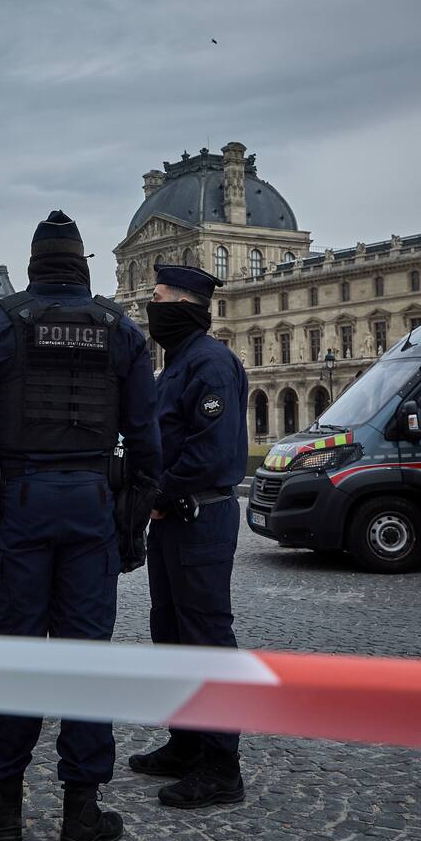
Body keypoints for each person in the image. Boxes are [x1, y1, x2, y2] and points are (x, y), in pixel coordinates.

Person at [0, 211, 161, 841]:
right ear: (84, 264)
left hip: (20, 503)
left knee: (17, 653)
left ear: (34, 264)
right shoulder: (120, 331)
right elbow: (147, 443)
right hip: (93, 501)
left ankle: (6, 803)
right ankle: (81, 812)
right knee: (86, 656)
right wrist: (132, 523)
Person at [128, 264, 248, 808]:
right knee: (171, 634)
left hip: (199, 517)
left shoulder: (211, 364)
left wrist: (158, 491)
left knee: (206, 640)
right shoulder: (178, 364)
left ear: (183, 304)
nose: (151, 307)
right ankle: (185, 742)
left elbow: (214, 454)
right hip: (176, 520)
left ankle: (222, 767)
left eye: (157, 298)